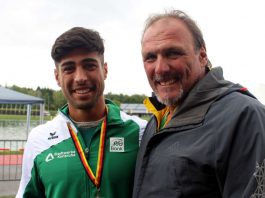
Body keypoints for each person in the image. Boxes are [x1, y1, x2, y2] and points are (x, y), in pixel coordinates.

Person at [133, 9, 265, 198]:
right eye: (150, 57)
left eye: (173, 53)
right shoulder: (157, 121)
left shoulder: (244, 116)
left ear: (202, 55)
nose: (160, 68)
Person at [16, 27, 147, 198]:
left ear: (105, 70)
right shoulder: (39, 139)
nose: (80, 78)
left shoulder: (140, 131)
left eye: (89, 65)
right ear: (57, 77)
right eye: (69, 68)